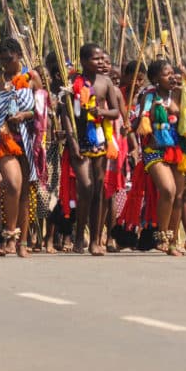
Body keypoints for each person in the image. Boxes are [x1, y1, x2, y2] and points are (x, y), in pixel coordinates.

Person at [0, 38, 46, 258]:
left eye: (8, 60)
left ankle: (23, 241)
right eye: (0, 60)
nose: (4, 65)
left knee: (25, 189)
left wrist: (25, 115)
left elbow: (42, 108)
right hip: (4, 137)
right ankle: (9, 236)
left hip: (28, 137)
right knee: (12, 184)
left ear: (19, 55)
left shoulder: (32, 77)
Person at [65, 43, 121, 256]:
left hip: (99, 139)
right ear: (83, 61)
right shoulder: (73, 82)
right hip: (79, 140)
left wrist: (102, 112)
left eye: (101, 58)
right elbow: (66, 114)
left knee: (99, 188)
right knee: (86, 187)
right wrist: (72, 142)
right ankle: (79, 234)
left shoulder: (106, 82)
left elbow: (115, 112)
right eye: (95, 59)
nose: (99, 62)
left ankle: (95, 240)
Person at [135, 59, 186, 256]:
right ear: (156, 79)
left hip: (179, 149)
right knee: (168, 189)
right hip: (154, 150)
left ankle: (173, 242)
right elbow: (141, 121)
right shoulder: (148, 96)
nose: (171, 76)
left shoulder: (181, 93)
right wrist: (128, 128)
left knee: (179, 196)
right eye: (166, 74)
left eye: (173, 72)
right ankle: (162, 236)